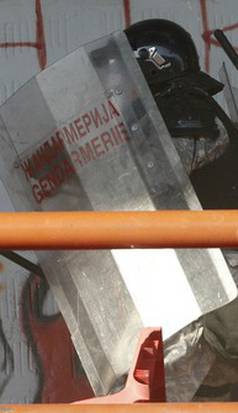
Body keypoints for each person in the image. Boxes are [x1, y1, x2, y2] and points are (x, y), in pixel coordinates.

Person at [125, 19, 238, 401]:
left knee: (149, 392)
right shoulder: (203, 114)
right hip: (212, 302)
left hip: (220, 303)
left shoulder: (188, 121)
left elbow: (141, 186)